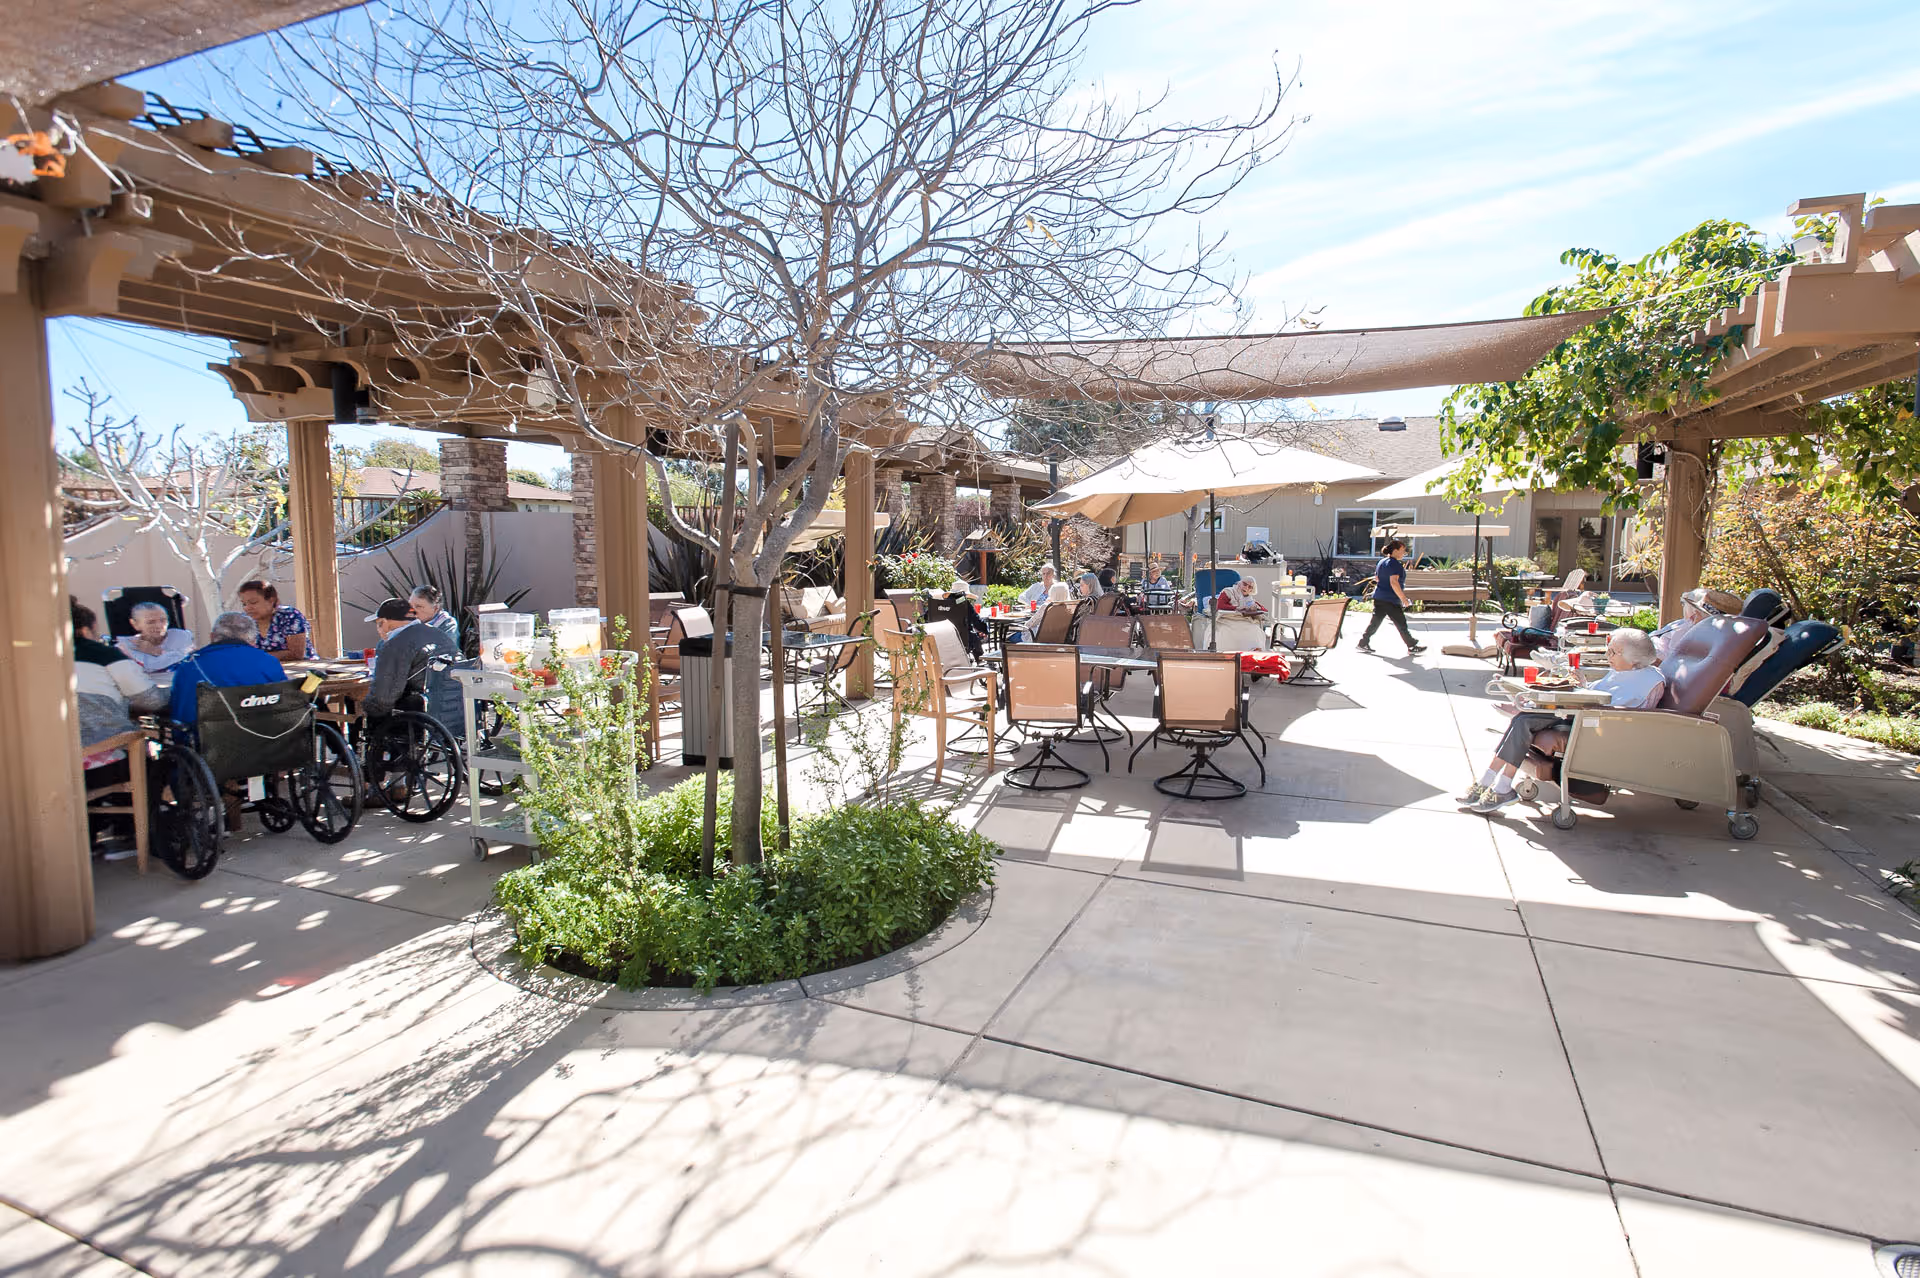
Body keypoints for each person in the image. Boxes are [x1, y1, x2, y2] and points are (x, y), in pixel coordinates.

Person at [1461, 627, 1665, 814]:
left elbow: (1622, 713)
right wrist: (1584, 684)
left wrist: (1582, 699)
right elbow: (1601, 692)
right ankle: (1495, 784)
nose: (1607, 656)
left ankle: (1496, 784)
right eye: (1608, 650)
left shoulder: (1649, 681)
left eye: (1613, 652)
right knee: (1523, 718)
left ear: (1634, 658)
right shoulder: (1623, 671)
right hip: (1583, 714)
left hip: (1593, 724)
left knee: (1523, 719)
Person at [73, 599, 169, 850]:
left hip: (52, 761)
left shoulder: (30, 659)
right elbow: (152, 700)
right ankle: (131, 830)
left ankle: (92, 831)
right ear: (85, 630)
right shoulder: (102, 655)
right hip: (103, 761)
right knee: (143, 751)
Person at [169, 611, 289, 731]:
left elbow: (181, 714)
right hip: (265, 741)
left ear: (212, 637)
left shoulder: (189, 665)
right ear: (253, 641)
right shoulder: (269, 661)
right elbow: (284, 703)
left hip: (206, 744)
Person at [362, 597, 455, 719]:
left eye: (379, 624)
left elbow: (383, 699)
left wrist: (363, 707)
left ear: (386, 622)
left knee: (362, 716)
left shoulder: (396, 644)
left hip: (417, 716)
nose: (379, 630)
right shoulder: (437, 634)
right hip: (451, 710)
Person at [1356, 539, 1425, 656]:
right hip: (1390, 599)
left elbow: (1377, 579)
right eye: (1403, 550)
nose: (1404, 553)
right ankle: (1412, 646)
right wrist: (1404, 599)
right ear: (1396, 550)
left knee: (1375, 622)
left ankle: (1362, 643)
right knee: (1401, 623)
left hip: (1379, 597)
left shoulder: (1382, 562)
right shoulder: (1394, 564)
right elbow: (1394, 582)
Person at [236, 580, 313, 661]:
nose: (247, 608)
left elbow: (296, 654)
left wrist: (255, 656)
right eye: (244, 604)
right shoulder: (245, 621)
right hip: (261, 670)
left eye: (253, 602)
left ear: (271, 601)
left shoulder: (289, 615)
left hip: (300, 669)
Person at [115, 601, 195, 673]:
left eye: (163, 620)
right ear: (135, 624)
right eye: (150, 622)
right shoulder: (126, 646)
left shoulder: (181, 636)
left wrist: (156, 651)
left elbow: (190, 659)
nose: (159, 626)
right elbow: (153, 667)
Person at [936, 578, 990, 661]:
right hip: (962, 640)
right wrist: (985, 630)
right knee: (974, 636)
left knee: (972, 635)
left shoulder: (939, 605)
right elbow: (977, 622)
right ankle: (980, 660)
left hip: (941, 639)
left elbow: (925, 618)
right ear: (964, 594)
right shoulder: (964, 604)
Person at [1007, 581, 1072, 643]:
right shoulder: (1070, 608)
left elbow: (1029, 625)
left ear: (1052, 593)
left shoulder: (1047, 607)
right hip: (1057, 639)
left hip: (1036, 639)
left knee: (1007, 634)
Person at [410, 584, 460, 652]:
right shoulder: (407, 622)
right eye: (410, 605)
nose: (411, 610)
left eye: (418, 606)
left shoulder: (447, 624)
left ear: (435, 608)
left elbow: (447, 651)